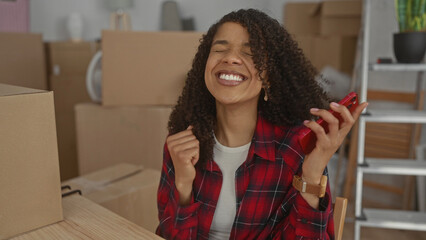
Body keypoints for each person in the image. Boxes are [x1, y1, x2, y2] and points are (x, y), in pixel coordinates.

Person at [156, 9, 367, 240]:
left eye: (249, 53)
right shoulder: (181, 142)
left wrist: (312, 176)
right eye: (219, 49)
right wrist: (184, 186)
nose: (230, 58)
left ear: (268, 77)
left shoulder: (295, 149)